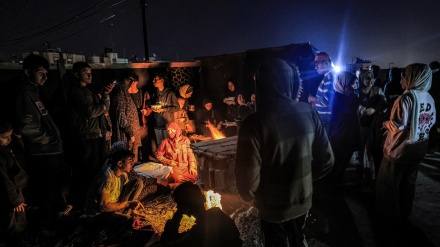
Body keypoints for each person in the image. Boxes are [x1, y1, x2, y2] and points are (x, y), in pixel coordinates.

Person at [235, 57, 334, 247]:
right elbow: (327, 160)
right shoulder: (309, 112)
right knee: (298, 239)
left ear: (261, 85)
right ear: (289, 81)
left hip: (272, 208)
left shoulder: (254, 123)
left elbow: (247, 182)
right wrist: (303, 179)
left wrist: (249, 197)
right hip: (303, 200)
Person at [11, 54, 72, 220]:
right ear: (28, 72)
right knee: (48, 190)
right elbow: (27, 126)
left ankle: (55, 219)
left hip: (49, 149)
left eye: (46, 73)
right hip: (43, 152)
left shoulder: (34, 91)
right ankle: (49, 224)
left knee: (55, 187)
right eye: (40, 73)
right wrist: (51, 138)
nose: (45, 77)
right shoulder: (25, 93)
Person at [376, 63, 436, 219]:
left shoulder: (406, 97)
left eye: (404, 76)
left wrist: (384, 123)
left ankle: (389, 215)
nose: (401, 79)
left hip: (399, 150)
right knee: (408, 184)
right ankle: (405, 212)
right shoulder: (428, 97)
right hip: (417, 149)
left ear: (411, 78)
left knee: (389, 185)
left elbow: (397, 125)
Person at [68, 61, 115, 207]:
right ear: (76, 75)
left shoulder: (88, 91)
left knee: (96, 168)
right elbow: (91, 112)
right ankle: (86, 202)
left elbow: (103, 110)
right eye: (85, 73)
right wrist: (102, 105)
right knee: (88, 169)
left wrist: (106, 96)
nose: (89, 75)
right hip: (87, 135)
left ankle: (94, 199)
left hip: (95, 133)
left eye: (91, 73)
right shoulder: (77, 92)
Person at [160, 182, 242, 247]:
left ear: (184, 208)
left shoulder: (199, 232)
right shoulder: (219, 215)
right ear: (203, 198)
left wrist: (178, 215)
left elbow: (166, 240)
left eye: (178, 205)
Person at [87, 148, 143, 233]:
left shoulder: (123, 174)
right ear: (120, 163)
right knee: (127, 221)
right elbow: (103, 207)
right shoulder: (107, 177)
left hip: (115, 205)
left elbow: (126, 193)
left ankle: (126, 216)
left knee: (137, 182)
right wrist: (128, 204)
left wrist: (134, 210)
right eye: (130, 162)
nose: (132, 164)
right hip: (100, 214)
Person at [328, 71, 362, 185]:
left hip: (348, 137)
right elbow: (351, 108)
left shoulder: (347, 96)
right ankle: (332, 190)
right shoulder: (337, 97)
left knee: (342, 166)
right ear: (343, 84)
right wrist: (356, 96)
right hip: (340, 138)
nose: (354, 87)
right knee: (336, 166)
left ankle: (337, 186)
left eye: (354, 84)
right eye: (351, 84)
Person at [0, 122, 29, 245]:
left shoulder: (6, 148)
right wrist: (15, 200)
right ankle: (14, 240)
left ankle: (19, 237)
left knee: (20, 218)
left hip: (16, 189)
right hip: (11, 193)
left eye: (10, 136)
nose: (9, 139)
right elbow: (3, 179)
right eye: (5, 137)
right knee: (13, 219)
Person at [110, 72, 142, 163]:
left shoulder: (125, 94)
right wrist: (130, 133)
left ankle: (130, 173)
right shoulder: (120, 94)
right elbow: (121, 116)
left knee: (131, 158)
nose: (133, 86)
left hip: (130, 135)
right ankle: (126, 175)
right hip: (125, 136)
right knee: (126, 158)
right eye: (131, 83)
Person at [155, 122, 197, 187]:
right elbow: (158, 155)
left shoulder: (185, 140)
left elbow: (190, 154)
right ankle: (175, 187)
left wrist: (192, 166)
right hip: (174, 166)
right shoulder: (165, 142)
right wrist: (168, 161)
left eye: (172, 130)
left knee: (195, 176)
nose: (169, 132)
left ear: (177, 129)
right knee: (177, 178)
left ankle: (179, 186)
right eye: (168, 131)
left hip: (186, 166)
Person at [150, 72, 179, 152]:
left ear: (162, 81)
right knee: (160, 145)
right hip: (157, 124)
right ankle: (162, 162)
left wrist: (163, 109)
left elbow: (177, 107)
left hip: (168, 125)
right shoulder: (154, 94)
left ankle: (171, 162)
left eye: (155, 79)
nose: (153, 81)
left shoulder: (170, 93)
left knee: (169, 146)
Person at [308, 52, 336, 133]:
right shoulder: (328, 76)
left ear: (326, 63)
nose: (315, 67)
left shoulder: (329, 77)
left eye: (317, 64)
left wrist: (312, 99)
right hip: (325, 119)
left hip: (325, 120)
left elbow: (326, 100)